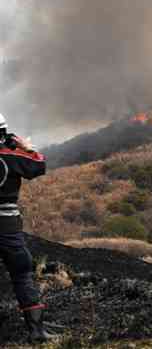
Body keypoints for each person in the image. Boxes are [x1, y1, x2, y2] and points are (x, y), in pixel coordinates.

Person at [0, 114, 61, 342]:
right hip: (7, 228)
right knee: (22, 275)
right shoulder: (11, 156)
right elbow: (38, 166)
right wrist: (25, 147)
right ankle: (37, 332)